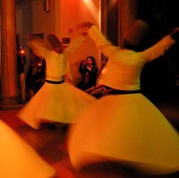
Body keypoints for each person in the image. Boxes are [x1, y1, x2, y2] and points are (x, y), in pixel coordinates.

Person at [67, 20, 179, 175]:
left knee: (107, 127)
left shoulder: (115, 53)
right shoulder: (140, 57)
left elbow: (101, 42)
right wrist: (173, 36)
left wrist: (90, 28)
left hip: (115, 99)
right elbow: (159, 49)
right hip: (134, 100)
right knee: (131, 130)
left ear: (125, 42)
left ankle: (116, 153)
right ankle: (129, 156)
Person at [17, 33, 96, 129]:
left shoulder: (64, 54)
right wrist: (33, 41)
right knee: (49, 105)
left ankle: (64, 122)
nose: (61, 49)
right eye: (59, 47)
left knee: (64, 105)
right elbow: (38, 50)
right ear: (55, 48)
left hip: (61, 84)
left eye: (61, 47)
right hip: (50, 86)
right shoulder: (49, 55)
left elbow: (73, 47)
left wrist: (82, 37)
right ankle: (52, 122)